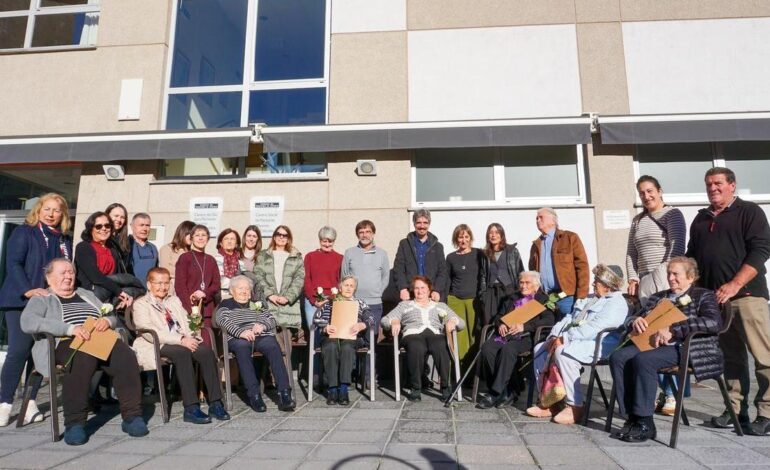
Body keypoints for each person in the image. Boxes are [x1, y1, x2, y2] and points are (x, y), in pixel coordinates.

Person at [20, 259, 148, 446]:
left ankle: (132, 416)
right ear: (49, 277)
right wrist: (70, 329)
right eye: (63, 272)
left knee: (125, 355)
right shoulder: (42, 298)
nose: (68, 276)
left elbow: (109, 316)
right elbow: (28, 322)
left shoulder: (86, 294)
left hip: (98, 338)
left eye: (71, 272)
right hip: (63, 342)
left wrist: (107, 322)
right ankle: (74, 423)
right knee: (83, 355)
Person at [686, 167, 770, 435]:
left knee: (764, 356)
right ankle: (735, 410)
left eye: (719, 183)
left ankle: (767, 412)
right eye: (709, 184)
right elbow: (692, 259)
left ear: (732, 185)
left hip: (747, 297)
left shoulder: (750, 212)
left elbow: (761, 251)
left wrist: (735, 284)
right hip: (715, 303)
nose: (713, 188)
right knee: (731, 359)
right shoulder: (700, 219)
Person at [609, 257, 722, 443]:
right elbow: (631, 317)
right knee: (619, 357)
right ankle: (631, 417)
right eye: (669, 273)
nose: (670, 278)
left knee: (644, 361)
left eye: (675, 274)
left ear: (690, 277)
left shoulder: (703, 295)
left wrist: (674, 329)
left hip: (685, 347)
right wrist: (634, 321)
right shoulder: (659, 296)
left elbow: (713, 322)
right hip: (651, 344)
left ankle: (645, 422)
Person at [0, 193, 72, 427]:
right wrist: (29, 290)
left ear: (63, 214)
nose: (51, 214)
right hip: (21, 301)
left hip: (47, 305)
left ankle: (29, 404)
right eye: (47, 209)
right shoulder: (25, 232)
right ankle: (4, 403)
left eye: (57, 210)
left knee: (40, 354)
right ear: (39, 210)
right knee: (19, 351)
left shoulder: (63, 240)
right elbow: (13, 264)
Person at [526, 264, 628, 425]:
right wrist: (555, 335)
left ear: (608, 285)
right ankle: (549, 401)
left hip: (600, 342)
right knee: (540, 349)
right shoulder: (589, 298)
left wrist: (565, 339)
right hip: (576, 339)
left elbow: (594, 328)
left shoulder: (616, 303)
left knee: (563, 352)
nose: (594, 283)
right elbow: (568, 318)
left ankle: (575, 405)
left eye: (597, 281)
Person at [132, 267, 229, 424]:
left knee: (206, 352)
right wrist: (181, 339)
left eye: (166, 283)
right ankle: (191, 407)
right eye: (158, 283)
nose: (163, 287)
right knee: (182, 353)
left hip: (182, 340)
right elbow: (148, 331)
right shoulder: (141, 304)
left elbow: (186, 321)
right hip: (156, 343)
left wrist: (192, 335)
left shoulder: (174, 301)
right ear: (149, 285)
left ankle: (216, 402)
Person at [625, 175, 688, 416]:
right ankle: (657, 392)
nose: (646, 196)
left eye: (650, 191)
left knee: (666, 335)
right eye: (642, 193)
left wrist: (663, 275)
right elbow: (631, 251)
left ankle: (673, 395)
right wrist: (633, 277)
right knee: (647, 337)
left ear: (660, 191)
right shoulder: (638, 220)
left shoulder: (672, 214)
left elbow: (677, 245)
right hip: (644, 280)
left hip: (664, 276)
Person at [216, 275, 295, 412]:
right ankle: (254, 395)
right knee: (242, 347)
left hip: (260, 336)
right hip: (238, 338)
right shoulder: (226, 304)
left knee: (272, 345)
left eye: (247, 288)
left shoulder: (256, 304)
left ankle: (284, 393)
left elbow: (272, 319)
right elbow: (222, 320)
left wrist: (262, 326)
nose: (244, 291)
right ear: (232, 290)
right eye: (240, 288)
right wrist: (240, 332)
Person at [478, 271, 555, 409]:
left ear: (536, 286)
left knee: (508, 349)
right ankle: (509, 390)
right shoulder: (512, 298)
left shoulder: (544, 300)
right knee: (487, 348)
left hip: (528, 337)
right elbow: (498, 316)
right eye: (521, 282)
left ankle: (495, 393)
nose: (523, 286)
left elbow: (549, 320)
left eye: (527, 283)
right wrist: (500, 324)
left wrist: (524, 326)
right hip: (506, 336)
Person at [381, 276, 465, 402]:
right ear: (413, 290)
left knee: (441, 344)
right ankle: (416, 387)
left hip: (435, 334)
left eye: (422, 288)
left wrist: (453, 321)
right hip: (412, 334)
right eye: (416, 288)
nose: (420, 291)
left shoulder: (440, 305)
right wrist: (394, 321)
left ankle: (446, 386)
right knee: (416, 346)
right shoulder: (404, 305)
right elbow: (385, 320)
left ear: (429, 290)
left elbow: (461, 323)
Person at [313, 275, 373, 405]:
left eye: (352, 286)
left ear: (355, 289)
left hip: (352, 337)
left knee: (346, 347)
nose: (348, 288)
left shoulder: (359, 303)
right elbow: (316, 318)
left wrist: (361, 325)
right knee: (330, 346)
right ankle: (333, 389)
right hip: (331, 336)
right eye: (346, 285)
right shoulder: (330, 302)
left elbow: (370, 318)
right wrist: (325, 327)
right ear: (340, 287)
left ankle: (344, 389)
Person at [528, 207, 589, 319]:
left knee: (567, 332)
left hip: (567, 297)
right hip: (545, 298)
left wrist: (582, 295)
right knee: (547, 333)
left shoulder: (569, 238)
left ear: (553, 220)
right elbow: (532, 272)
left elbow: (582, 267)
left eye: (541, 217)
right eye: (536, 218)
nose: (537, 220)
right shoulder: (536, 245)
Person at [73, 211, 139, 306]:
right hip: (91, 296)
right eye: (98, 226)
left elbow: (118, 273)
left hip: (111, 295)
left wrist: (121, 295)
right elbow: (94, 276)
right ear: (90, 229)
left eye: (107, 226)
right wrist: (119, 291)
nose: (103, 229)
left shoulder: (113, 248)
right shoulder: (83, 247)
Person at [341, 220, 389, 342]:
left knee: (371, 339)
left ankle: (370, 362)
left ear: (373, 234)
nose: (364, 235)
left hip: (374, 303)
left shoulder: (382, 254)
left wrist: (377, 292)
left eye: (368, 231)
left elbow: (385, 278)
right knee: (352, 339)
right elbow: (345, 275)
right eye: (361, 232)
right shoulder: (349, 252)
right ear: (357, 235)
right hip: (353, 303)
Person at [175, 224, 220, 347]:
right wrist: (191, 309)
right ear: (191, 238)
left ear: (208, 238)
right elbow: (180, 286)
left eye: (203, 235)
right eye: (197, 235)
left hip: (206, 311)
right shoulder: (185, 258)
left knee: (207, 345)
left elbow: (216, 285)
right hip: (189, 310)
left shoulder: (211, 260)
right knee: (193, 346)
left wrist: (205, 294)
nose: (200, 238)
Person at [445, 224, 484, 362]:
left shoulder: (479, 254)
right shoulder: (450, 257)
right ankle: (459, 368)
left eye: (466, 237)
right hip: (455, 300)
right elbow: (447, 279)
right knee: (459, 335)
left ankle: (472, 372)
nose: (463, 240)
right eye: (460, 237)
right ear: (456, 239)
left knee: (473, 335)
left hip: (473, 300)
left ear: (470, 238)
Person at [253, 225, 304, 329]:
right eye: (279, 234)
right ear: (274, 237)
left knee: (286, 340)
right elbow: (258, 276)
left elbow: (299, 280)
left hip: (288, 306)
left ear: (289, 238)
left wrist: (287, 297)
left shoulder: (296, 257)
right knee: (268, 336)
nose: (281, 237)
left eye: (285, 235)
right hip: (268, 302)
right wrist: (270, 295)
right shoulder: (263, 255)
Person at [393, 209, 448, 302]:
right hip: (410, 294)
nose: (422, 226)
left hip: (431, 294)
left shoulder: (438, 247)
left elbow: (442, 272)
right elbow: (398, 269)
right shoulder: (404, 244)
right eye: (418, 222)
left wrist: (437, 290)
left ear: (429, 224)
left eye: (425, 222)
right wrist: (402, 288)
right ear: (414, 223)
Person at [480, 223, 525, 330]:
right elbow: (482, 275)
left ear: (501, 235)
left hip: (508, 291)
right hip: (491, 293)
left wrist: (520, 292)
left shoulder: (512, 251)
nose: (493, 235)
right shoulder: (485, 254)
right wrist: (483, 294)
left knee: (508, 320)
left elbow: (520, 272)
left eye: (496, 232)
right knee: (490, 322)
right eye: (490, 233)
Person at [303, 226, 343, 330]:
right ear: (319, 240)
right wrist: (314, 300)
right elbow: (306, 279)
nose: (327, 244)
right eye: (324, 241)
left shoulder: (340, 258)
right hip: (313, 301)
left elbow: (340, 281)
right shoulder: (310, 256)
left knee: (331, 331)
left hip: (332, 300)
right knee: (314, 331)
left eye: (330, 241)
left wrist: (332, 299)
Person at [158, 220, 195, 294]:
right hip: (172, 290)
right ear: (182, 233)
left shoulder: (192, 252)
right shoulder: (167, 248)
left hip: (189, 290)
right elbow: (165, 269)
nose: (192, 237)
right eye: (190, 234)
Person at [129, 213, 158, 286]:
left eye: (147, 225)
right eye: (141, 225)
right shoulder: (126, 246)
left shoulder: (153, 248)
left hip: (149, 292)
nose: (145, 229)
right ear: (132, 226)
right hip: (132, 290)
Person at [214, 228, 241, 301]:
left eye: (232, 239)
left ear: (236, 244)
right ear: (221, 243)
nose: (229, 241)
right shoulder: (214, 260)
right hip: (220, 298)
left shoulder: (240, 262)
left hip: (238, 299)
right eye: (226, 239)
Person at [105, 203, 131, 273]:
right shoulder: (102, 239)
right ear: (107, 216)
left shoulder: (124, 241)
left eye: (122, 217)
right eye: (116, 216)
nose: (119, 220)